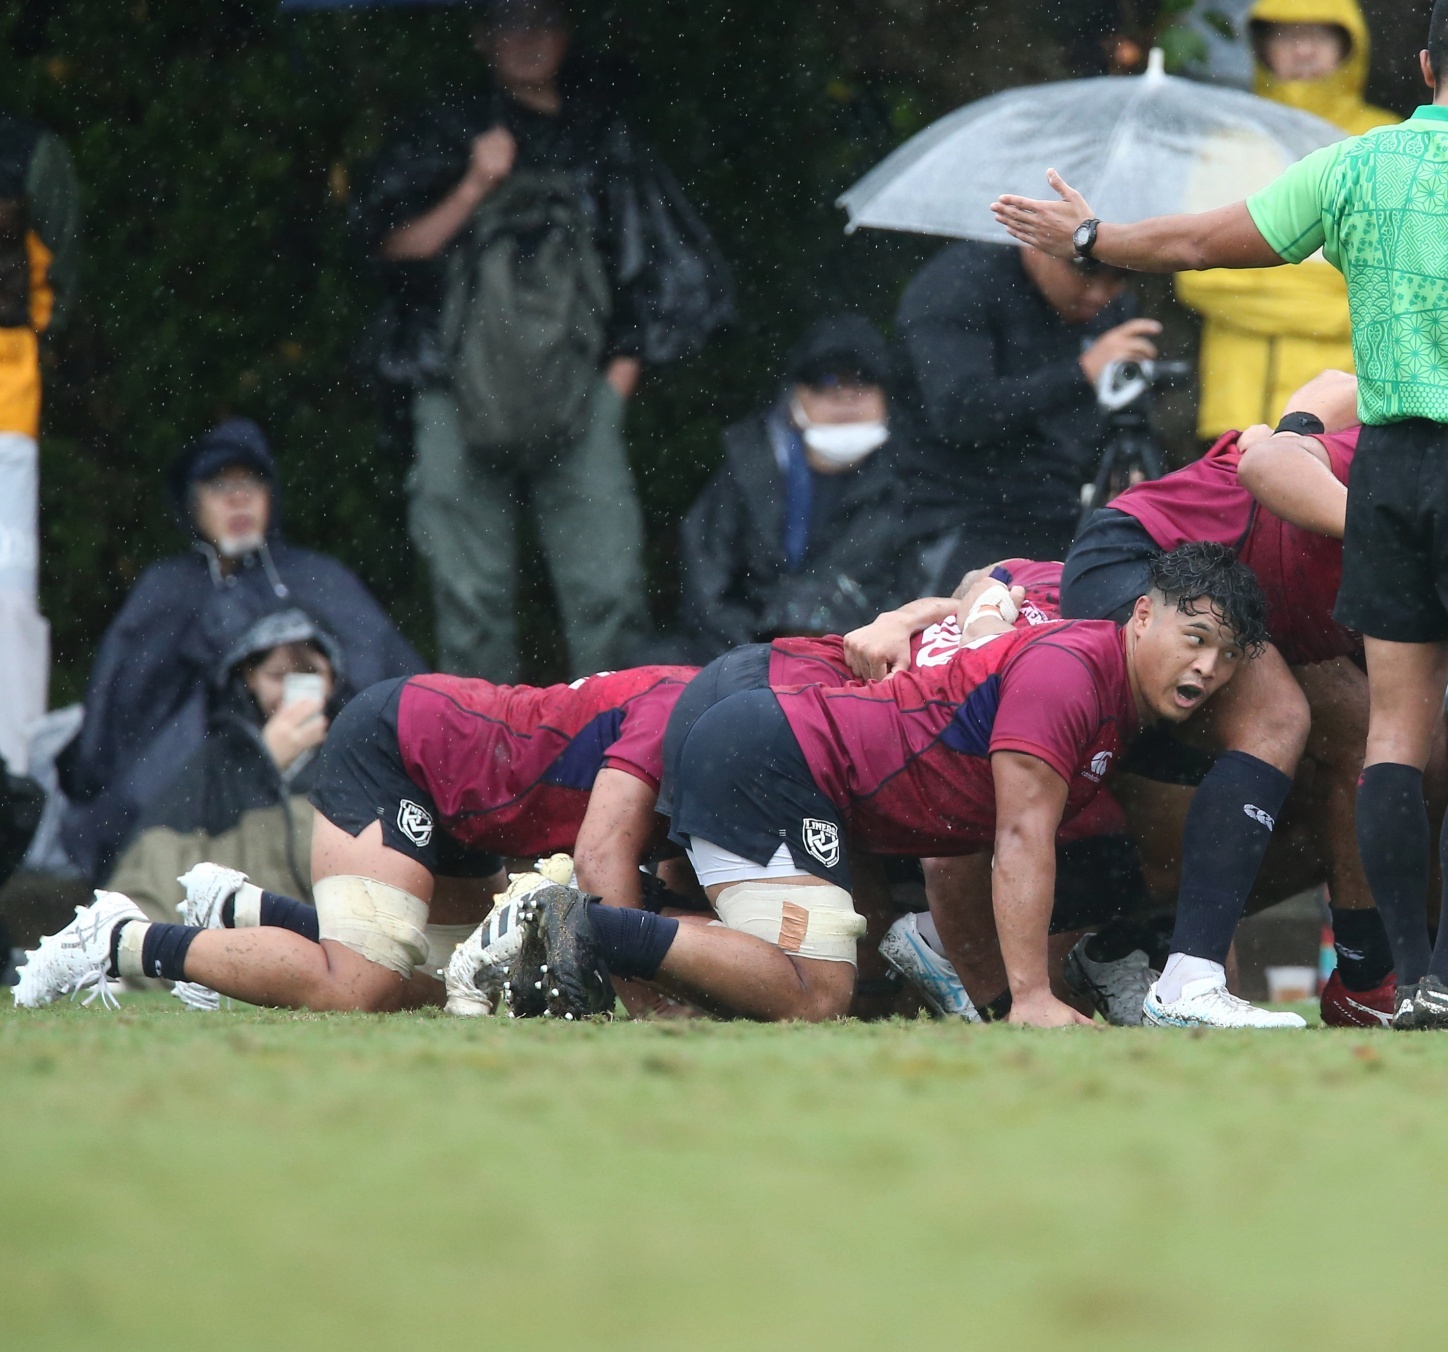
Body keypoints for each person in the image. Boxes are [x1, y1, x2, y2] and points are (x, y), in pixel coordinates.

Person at [994, 0, 1448, 1030]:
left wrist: (1094, 235)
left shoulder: (1357, 163)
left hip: (1391, 466)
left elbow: (1206, 240)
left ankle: (1396, 982)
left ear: (1424, 66)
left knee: (1393, 736)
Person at [468, 543, 1268, 1028]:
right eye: (1194, 638)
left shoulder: (1101, 679)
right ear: (1141, 615)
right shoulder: (1073, 671)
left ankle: (584, 926)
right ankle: (573, 919)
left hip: (781, 752)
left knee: (798, 981)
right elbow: (1018, 837)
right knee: (818, 993)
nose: (1206, 667)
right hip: (774, 757)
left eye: (1227, 656)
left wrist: (1001, 1004)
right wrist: (1026, 999)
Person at [359, 0, 730, 682]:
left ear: (567, 33)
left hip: (581, 395)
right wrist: (475, 184)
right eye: (510, 23)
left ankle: (614, 738)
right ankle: (480, 743)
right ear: (481, 36)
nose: (528, 38)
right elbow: (392, 250)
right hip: (453, 389)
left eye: (543, 21)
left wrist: (612, 391)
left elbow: (654, 271)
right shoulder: (444, 129)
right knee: (470, 597)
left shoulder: (605, 139)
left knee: (609, 591)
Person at [12, 665, 698, 1015]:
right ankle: (117, 939)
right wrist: (651, 1006)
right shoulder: (679, 713)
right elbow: (601, 859)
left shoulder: (705, 711)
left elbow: (670, 877)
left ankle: (243, 910)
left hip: (460, 789)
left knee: (463, 981)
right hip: (399, 750)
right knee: (357, 986)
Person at [57, 418, 422, 882]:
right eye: (219, 485)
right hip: (194, 798)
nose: (238, 499)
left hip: (325, 784)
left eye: (251, 482)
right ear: (191, 502)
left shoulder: (318, 579)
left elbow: (392, 689)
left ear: (271, 495)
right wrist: (248, 754)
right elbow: (118, 719)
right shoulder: (166, 591)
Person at [1174, 0, 1397, 435]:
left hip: (1344, 409)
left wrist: (1261, 277)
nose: (1303, 50)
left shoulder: (1387, 142)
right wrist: (1335, 300)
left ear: (1350, 45)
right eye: (1287, 35)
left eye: (1319, 35)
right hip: (1239, 404)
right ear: (1262, 47)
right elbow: (1198, 277)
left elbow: (1400, 283)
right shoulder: (1231, 142)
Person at [891, 236, 1158, 586]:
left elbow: (1117, 414)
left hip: (1067, 514)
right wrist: (1080, 373)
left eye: (1119, 275)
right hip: (965, 514)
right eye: (1086, 271)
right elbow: (960, 412)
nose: (1100, 293)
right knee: (978, 619)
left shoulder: (1109, 308)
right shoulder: (958, 285)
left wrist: (1126, 472)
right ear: (1036, 246)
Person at [680, 316, 923, 656]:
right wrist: (758, 661)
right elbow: (706, 588)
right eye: (825, 382)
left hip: (874, 661)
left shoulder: (921, 479)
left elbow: (926, 590)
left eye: (863, 381)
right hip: (748, 657)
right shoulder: (749, 469)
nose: (845, 396)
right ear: (793, 398)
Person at [105, 611, 339, 930]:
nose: (289, 692)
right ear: (251, 677)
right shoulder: (221, 755)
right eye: (276, 676)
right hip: (236, 922)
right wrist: (264, 762)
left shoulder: (354, 752)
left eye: (308, 675)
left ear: (331, 679)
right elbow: (158, 852)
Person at [0, 111, 77, 781]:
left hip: (5, 409)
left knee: (7, 608)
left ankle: (12, 781)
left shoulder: (26, 151)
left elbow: (55, 288)